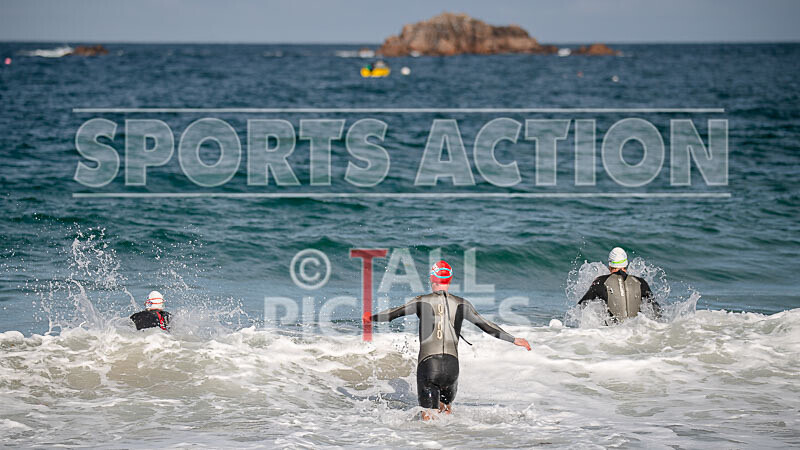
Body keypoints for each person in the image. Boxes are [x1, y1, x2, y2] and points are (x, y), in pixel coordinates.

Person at [363, 260, 531, 420]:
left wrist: (371, 318)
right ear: (449, 279)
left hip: (429, 366)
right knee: (446, 417)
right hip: (452, 368)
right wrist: (513, 339)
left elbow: (393, 313)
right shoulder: (462, 303)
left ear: (432, 278)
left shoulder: (421, 301)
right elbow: (486, 325)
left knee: (429, 420)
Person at [578, 247, 661, 322]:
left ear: (610, 265)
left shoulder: (600, 281)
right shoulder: (640, 282)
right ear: (626, 265)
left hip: (614, 333)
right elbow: (657, 309)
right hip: (636, 332)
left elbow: (581, 305)